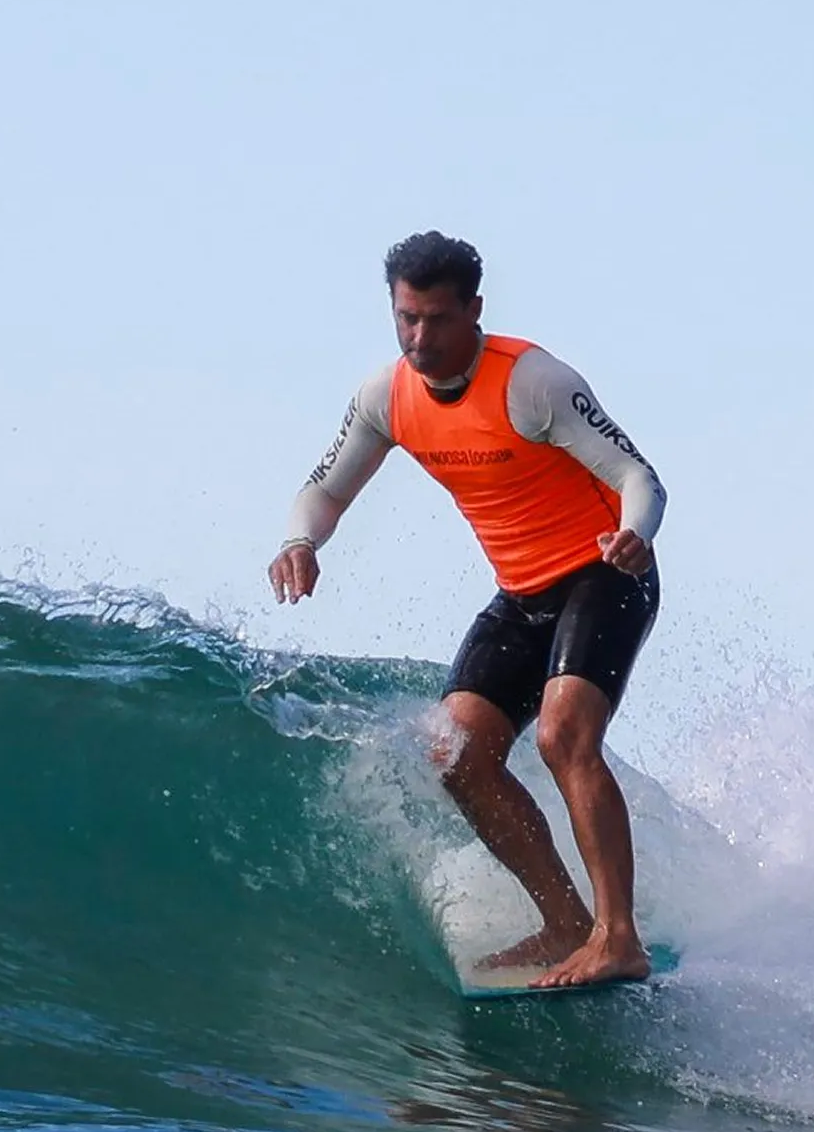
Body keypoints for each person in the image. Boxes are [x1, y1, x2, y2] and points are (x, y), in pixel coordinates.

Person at [268, 232, 667, 989]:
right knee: (456, 753)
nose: (419, 339)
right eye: (406, 318)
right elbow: (324, 489)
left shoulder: (533, 382)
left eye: (438, 320)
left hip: (603, 572)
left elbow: (639, 476)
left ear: (474, 311)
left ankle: (617, 937)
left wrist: (634, 534)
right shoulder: (386, 397)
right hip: (521, 595)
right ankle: (563, 921)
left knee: (563, 735)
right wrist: (300, 541)